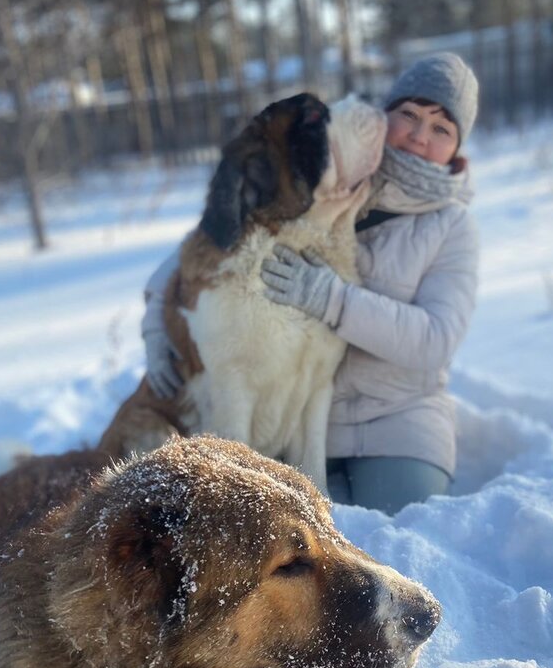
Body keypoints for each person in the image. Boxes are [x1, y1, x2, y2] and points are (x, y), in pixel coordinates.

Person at [141, 51, 479, 516]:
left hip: (397, 421)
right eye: (410, 115)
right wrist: (157, 323)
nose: (420, 137)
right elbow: (214, 239)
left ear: (457, 149)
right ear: (387, 114)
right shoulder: (340, 169)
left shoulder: (452, 226)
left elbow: (435, 341)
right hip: (304, 418)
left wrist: (332, 300)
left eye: (441, 129)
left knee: (401, 529)